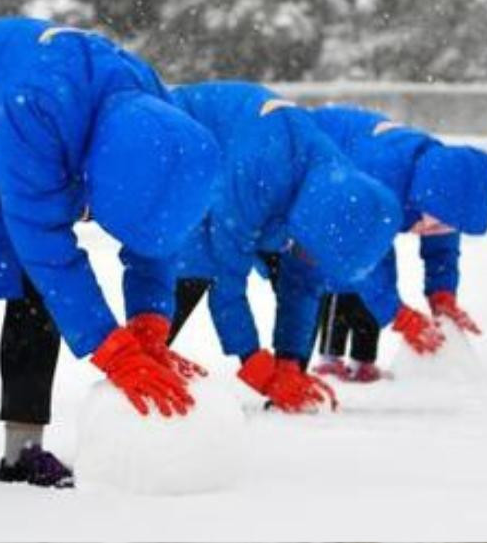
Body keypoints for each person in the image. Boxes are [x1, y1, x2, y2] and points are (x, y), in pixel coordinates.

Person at [0, 17, 220, 487]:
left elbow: (155, 232)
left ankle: (24, 450)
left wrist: (149, 320)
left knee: (37, 291)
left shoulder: (155, 115)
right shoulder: (43, 107)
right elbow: (45, 241)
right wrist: (110, 347)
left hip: (5, 122)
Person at [163, 81, 402, 412]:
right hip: (183, 143)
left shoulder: (331, 198)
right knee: (197, 262)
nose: (310, 259)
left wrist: (290, 363)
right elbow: (226, 275)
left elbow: (305, 282)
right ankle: (148, 355)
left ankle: (291, 368)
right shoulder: (260, 175)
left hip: (255, 170)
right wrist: (254, 364)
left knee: (299, 271)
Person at [286, 106, 487, 382]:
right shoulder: (380, 179)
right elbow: (361, 261)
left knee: (377, 280)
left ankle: (363, 359)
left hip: (368, 182)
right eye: (433, 223)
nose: (432, 230)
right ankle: (326, 356)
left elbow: (441, 242)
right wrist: (399, 315)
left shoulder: (443, 184)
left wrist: (442, 293)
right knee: (336, 273)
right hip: (312, 167)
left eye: (445, 225)